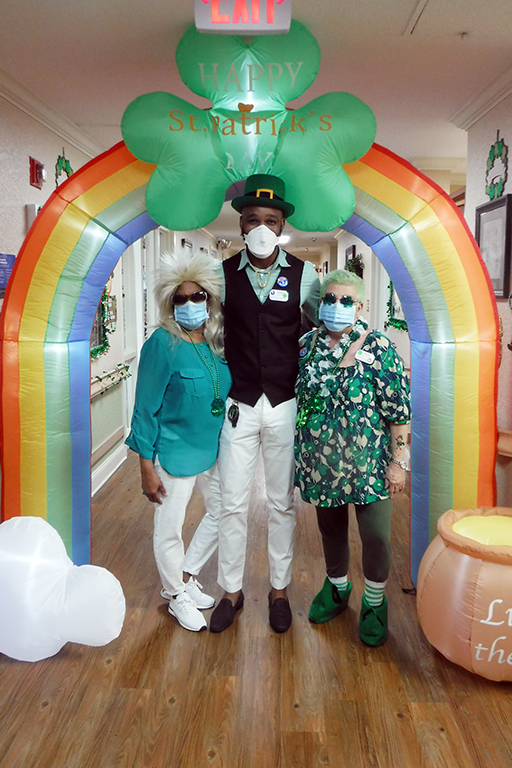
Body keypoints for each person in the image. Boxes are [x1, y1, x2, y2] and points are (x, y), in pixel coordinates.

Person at [209, 174, 321, 634]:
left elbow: (321, 328)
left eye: (270, 221)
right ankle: (231, 591)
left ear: (281, 226)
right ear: (241, 225)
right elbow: (210, 333)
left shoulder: (305, 274)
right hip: (238, 402)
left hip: (285, 400)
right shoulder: (220, 274)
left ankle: (279, 589)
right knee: (232, 502)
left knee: (281, 503)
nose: (261, 227)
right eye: (252, 219)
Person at [294, 269, 411, 646]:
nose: (337, 307)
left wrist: (398, 462)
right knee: (331, 531)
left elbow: (399, 413)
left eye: (346, 301)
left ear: (360, 306)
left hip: (368, 466)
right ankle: (337, 588)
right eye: (330, 299)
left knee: (376, 537)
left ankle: (375, 603)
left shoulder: (378, 347)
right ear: (320, 303)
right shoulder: (308, 344)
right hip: (321, 464)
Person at [126, 251, 231, 632]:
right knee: (169, 527)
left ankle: (184, 575)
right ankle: (174, 596)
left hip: (212, 451)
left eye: (197, 296)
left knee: (224, 513)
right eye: (181, 298)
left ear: (210, 299)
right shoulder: (163, 343)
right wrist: (145, 466)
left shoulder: (217, 342)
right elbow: (145, 407)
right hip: (172, 452)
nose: (189, 304)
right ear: (171, 303)